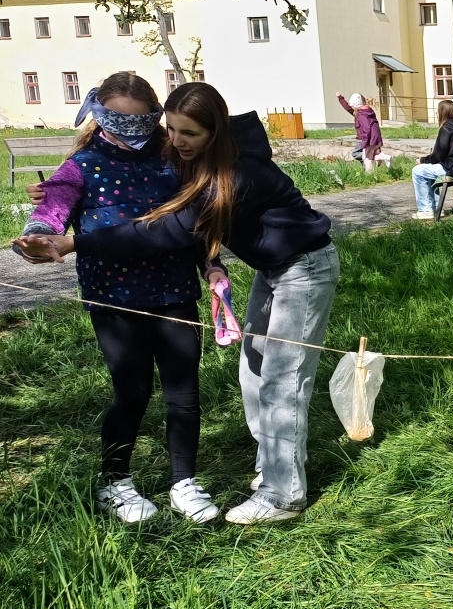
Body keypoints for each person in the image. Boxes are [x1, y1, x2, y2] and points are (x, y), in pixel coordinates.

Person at [19, 83, 341, 526]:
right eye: (171, 129)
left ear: (215, 132)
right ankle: (272, 466)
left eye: (189, 132)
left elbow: (172, 229)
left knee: (282, 379)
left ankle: (282, 494)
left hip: (302, 269)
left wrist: (77, 242)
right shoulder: (189, 157)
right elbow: (72, 190)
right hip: (265, 271)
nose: (176, 140)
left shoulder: (236, 171)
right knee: (253, 372)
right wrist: (47, 210)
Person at [11, 72, 216, 523]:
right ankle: (115, 482)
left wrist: (211, 266)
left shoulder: (174, 158)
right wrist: (36, 236)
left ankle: (184, 481)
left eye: (142, 122)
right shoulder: (82, 164)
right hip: (114, 299)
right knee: (132, 389)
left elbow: (195, 223)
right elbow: (52, 208)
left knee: (184, 391)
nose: (131, 133)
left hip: (174, 292)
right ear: (99, 116)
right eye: (119, 122)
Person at [412, 99, 453, 219]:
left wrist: (422, 160)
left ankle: (426, 209)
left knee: (417, 171)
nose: (436, 113)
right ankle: (435, 208)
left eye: (437, 111)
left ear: (442, 112)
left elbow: (438, 156)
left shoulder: (446, 128)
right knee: (427, 171)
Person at [337, 92, 389, 173]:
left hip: (364, 138)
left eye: (353, 106)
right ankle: (369, 169)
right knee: (366, 156)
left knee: (357, 154)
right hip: (372, 138)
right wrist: (340, 98)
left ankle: (371, 170)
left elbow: (366, 128)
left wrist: (364, 142)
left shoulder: (361, 114)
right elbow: (348, 107)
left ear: (355, 106)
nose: (352, 108)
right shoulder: (367, 111)